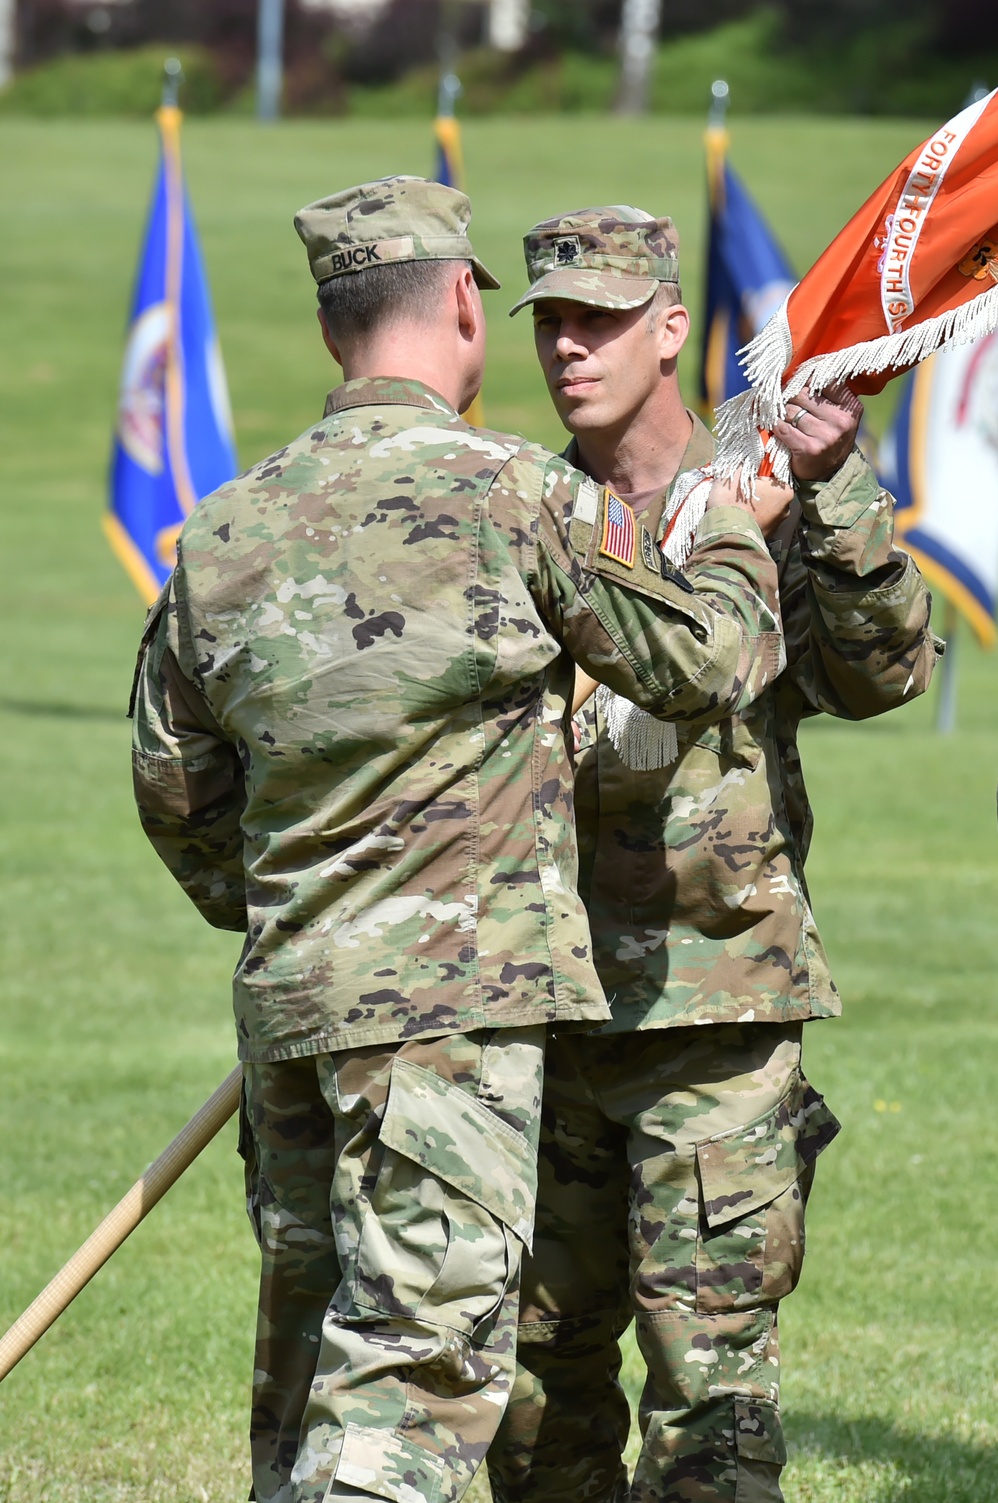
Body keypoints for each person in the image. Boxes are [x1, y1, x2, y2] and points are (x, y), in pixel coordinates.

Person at [128, 178, 789, 1503]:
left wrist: (303, 905)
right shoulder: (514, 496)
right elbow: (704, 660)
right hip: (452, 1023)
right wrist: (724, 523)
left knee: (317, 1376)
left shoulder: (222, 532)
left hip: (293, 1020)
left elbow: (176, 794)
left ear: (332, 332)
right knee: (413, 1398)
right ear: (459, 310)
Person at [486, 206, 942, 1503]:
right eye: (553, 324)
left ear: (673, 329)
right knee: (532, 1394)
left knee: (714, 1406)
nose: (572, 349)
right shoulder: (520, 508)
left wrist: (841, 485)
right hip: (542, 1007)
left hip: (717, 1012)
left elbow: (886, 675)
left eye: (603, 321)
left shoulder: (764, 494)